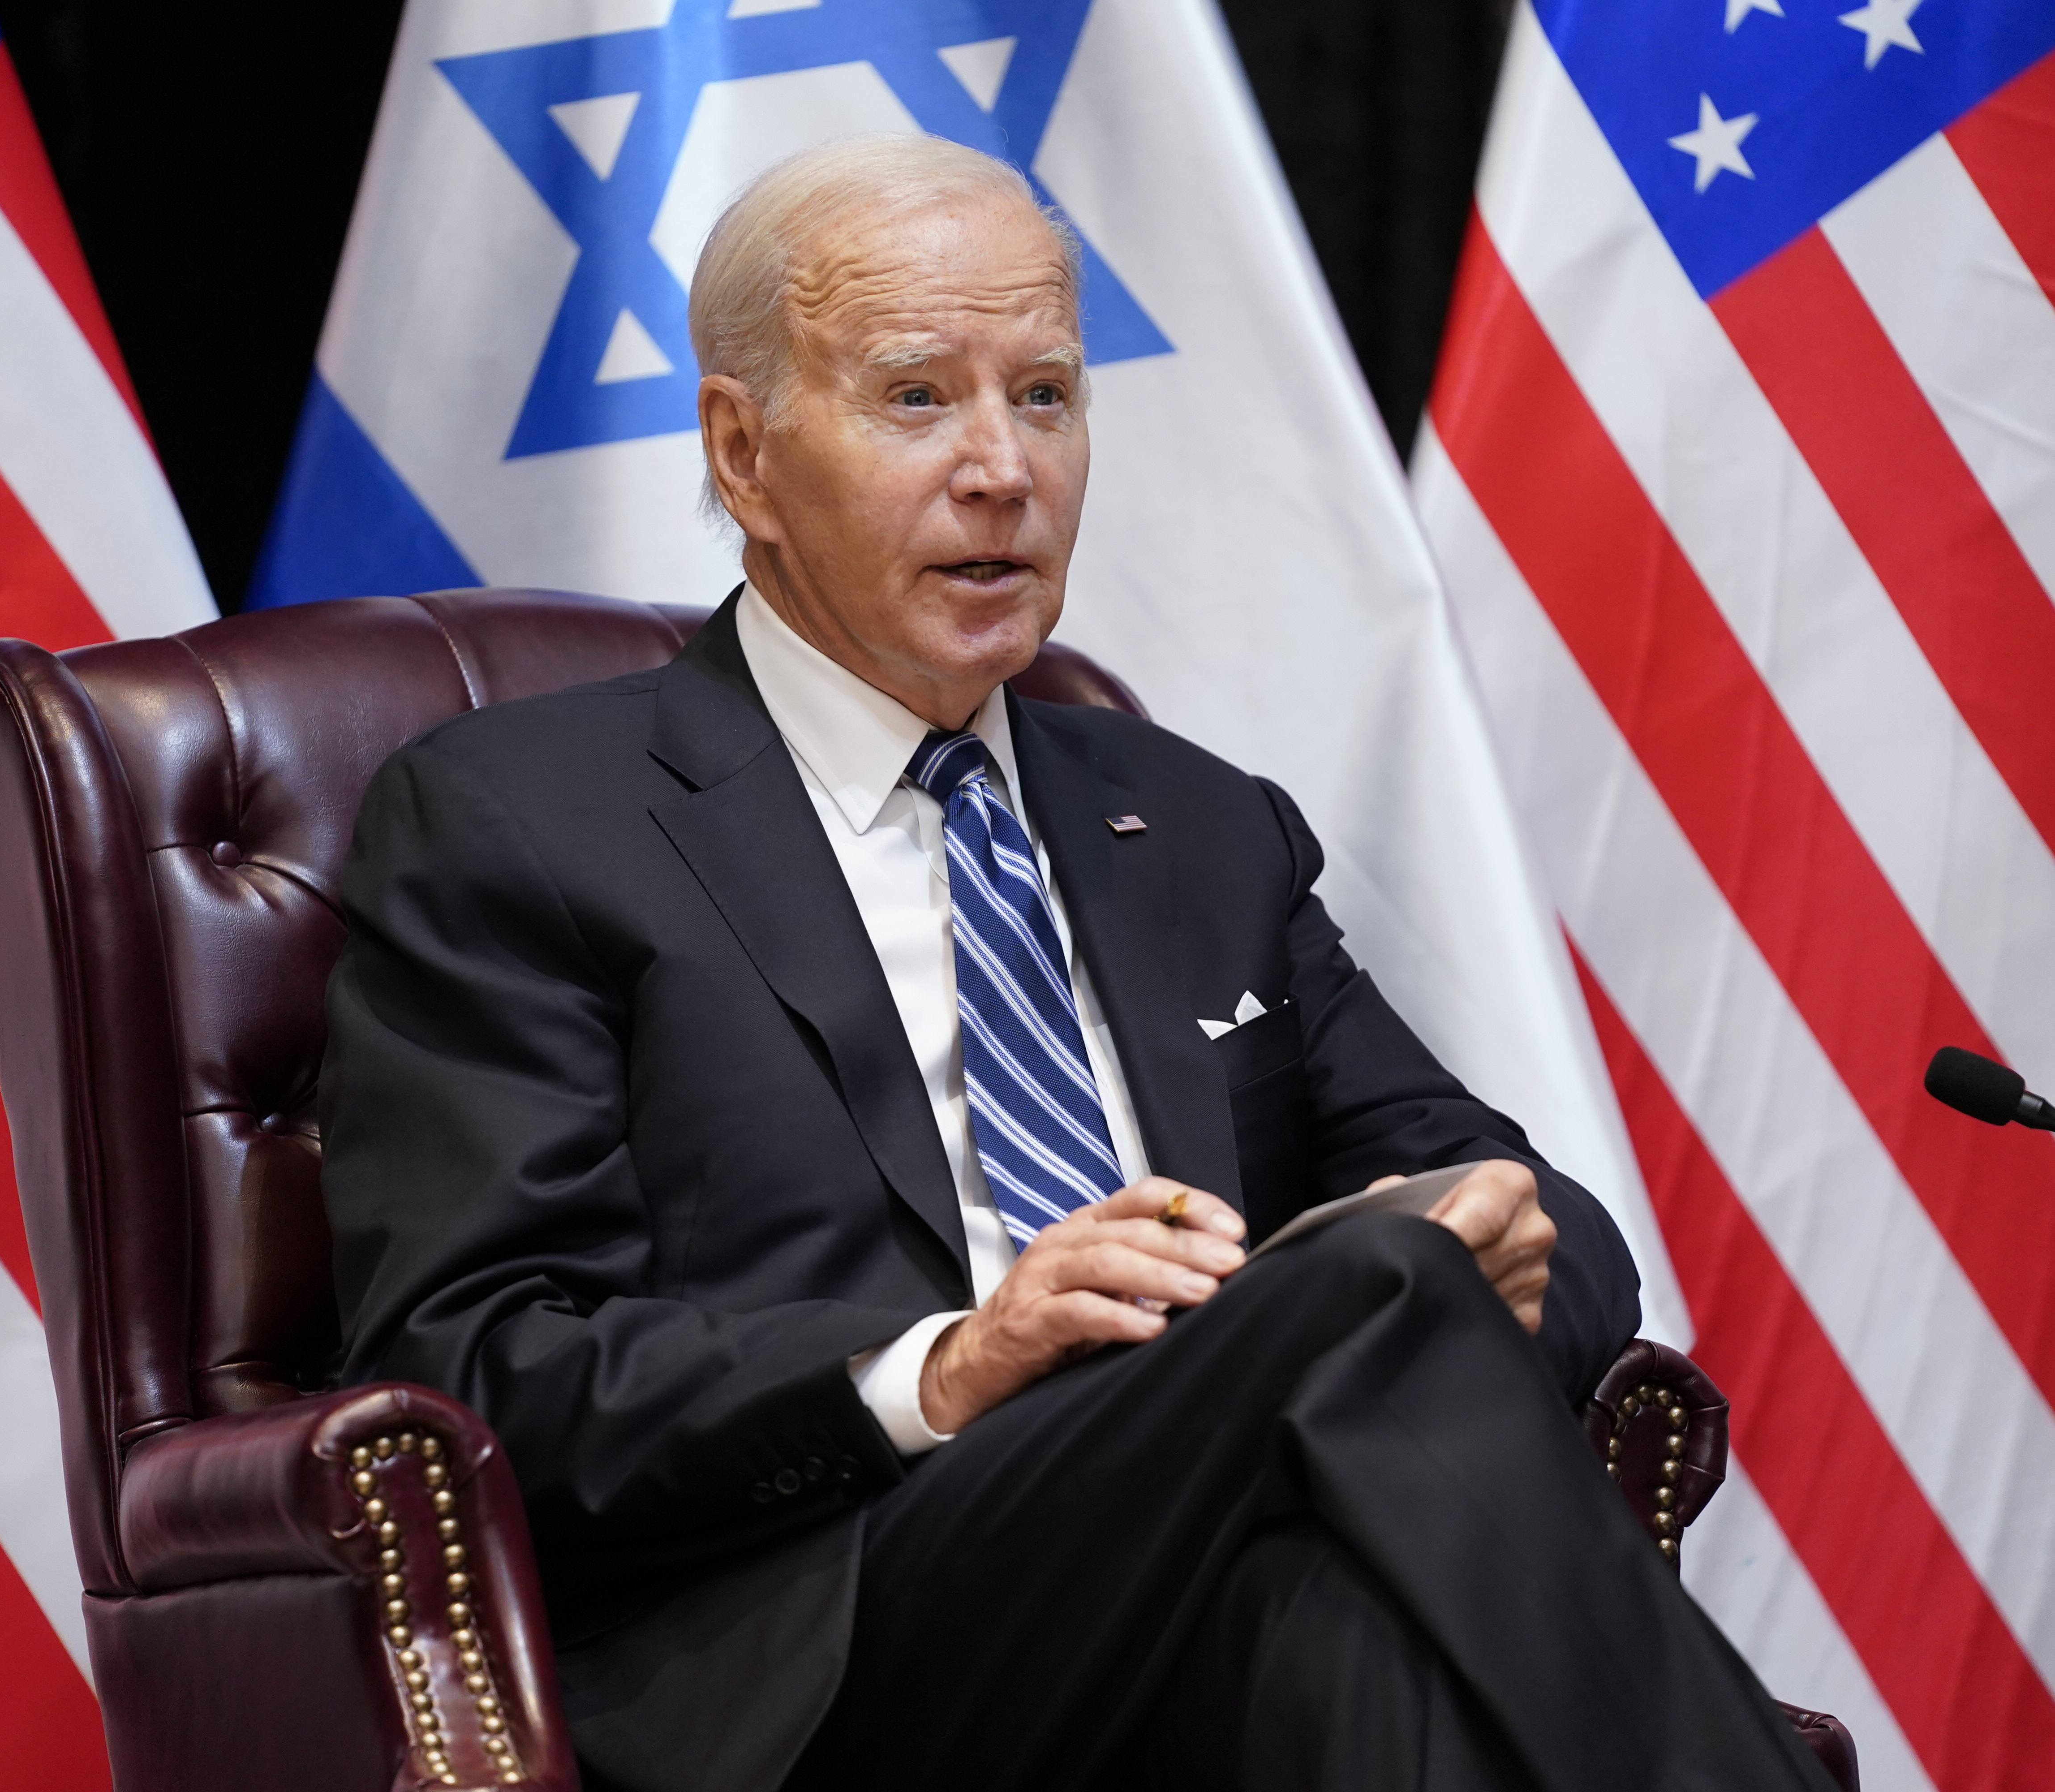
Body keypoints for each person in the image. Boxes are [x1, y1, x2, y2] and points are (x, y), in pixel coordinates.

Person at [323, 134, 1831, 1792]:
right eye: (918, 400)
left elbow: (1546, 1235)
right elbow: (475, 1364)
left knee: (1339, 1616)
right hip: (836, 1618)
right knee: (1366, 1291)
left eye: (1045, 396)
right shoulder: (524, 821)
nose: (1003, 470)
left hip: (1206, 1575)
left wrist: (1502, 1245)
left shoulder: (1193, 825)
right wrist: (951, 1366)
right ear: (743, 456)